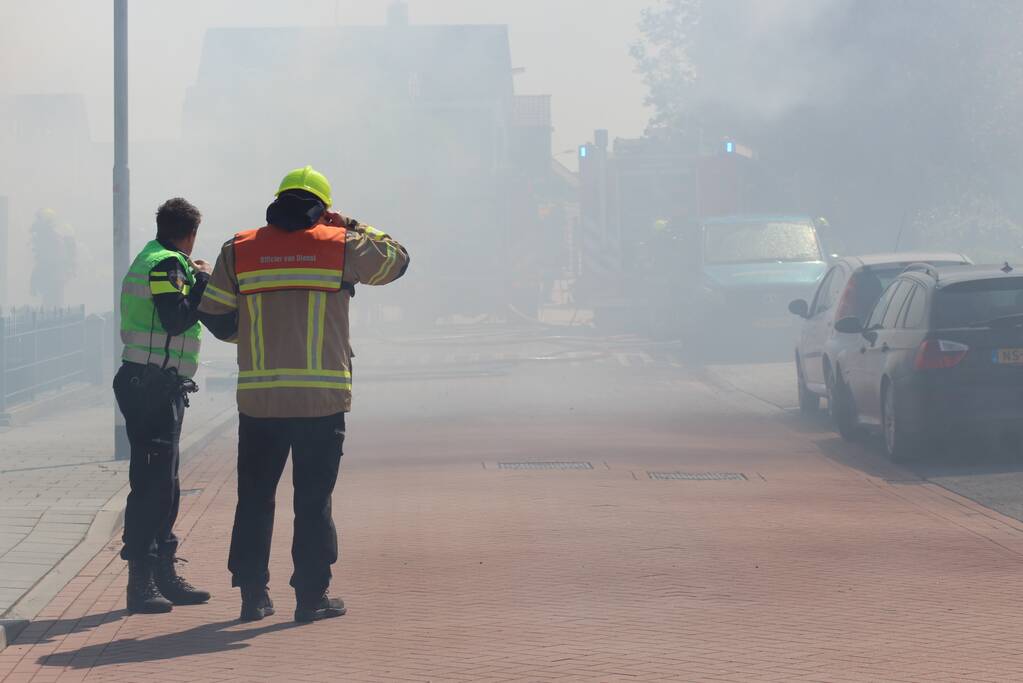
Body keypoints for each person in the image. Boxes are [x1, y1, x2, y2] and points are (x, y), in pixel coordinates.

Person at [198, 166, 410, 623]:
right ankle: (311, 598)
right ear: (322, 207)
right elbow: (397, 260)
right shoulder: (340, 245)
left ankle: (253, 596)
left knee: (255, 500)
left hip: (261, 402)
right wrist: (350, 222)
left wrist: (254, 335)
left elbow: (213, 314)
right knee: (313, 502)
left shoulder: (239, 248)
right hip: (321, 401)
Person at [113, 198, 212, 614]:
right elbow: (175, 319)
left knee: (165, 484)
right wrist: (202, 282)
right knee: (152, 485)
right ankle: (142, 581)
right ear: (190, 234)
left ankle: (163, 572)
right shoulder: (166, 264)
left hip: (158, 385)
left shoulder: (162, 260)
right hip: (149, 385)